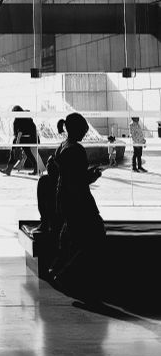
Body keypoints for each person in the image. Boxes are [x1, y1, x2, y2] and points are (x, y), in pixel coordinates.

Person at [50, 112, 106, 303]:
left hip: (64, 198)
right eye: (83, 130)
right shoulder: (77, 150)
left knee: (71, 237)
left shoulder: (63, 146)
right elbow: (79, 180)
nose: (85, 133)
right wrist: (94, 175)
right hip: (79, 201)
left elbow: (66, 174)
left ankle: (58, 269)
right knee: (94, 237)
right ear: (77, 129)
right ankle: (65, 275)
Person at [0, 105, 39, 175]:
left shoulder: (19, 119)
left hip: (22, 138)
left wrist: (17, 142)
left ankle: (8, 169)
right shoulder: (27, 117)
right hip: (29, 138)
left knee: (13, 153)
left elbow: (20, 131)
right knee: (28, 153)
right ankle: (36, 168)